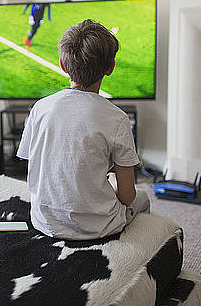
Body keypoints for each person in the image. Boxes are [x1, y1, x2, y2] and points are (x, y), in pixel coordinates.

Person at [17, 19, 150, 240]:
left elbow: (35, 167)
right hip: (97, 227)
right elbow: (127, 197)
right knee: (143, 198)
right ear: (110, 68)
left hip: (43, 220)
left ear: (62, 64)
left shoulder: (40, 108)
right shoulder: (117, 119)